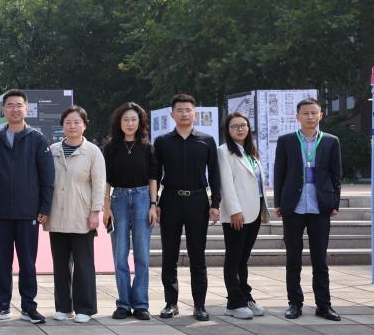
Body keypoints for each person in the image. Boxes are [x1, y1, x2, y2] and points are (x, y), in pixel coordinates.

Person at [0, 89, 53, 324]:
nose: (15, 109)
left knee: (27, 262)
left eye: (19, 105)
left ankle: (29, 307)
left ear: (26, 109)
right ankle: (2, 305)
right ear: (3, 110)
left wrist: (44, 207)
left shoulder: (37, 139)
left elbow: (47, 177)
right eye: (10, 105)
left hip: (28, 212)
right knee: (2, 261)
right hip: (1, 213)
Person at [273, 97, 342, 321]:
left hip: (320, 206)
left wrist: (335, 202)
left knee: (320, 259)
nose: (310, 117)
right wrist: (278, 202)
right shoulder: (286, 141)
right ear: (297, 116)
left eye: (314, 113)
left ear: (321, 115)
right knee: (293, 258)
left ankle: (324, 305)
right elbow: (279, 173)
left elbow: (336, 174)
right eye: (305, 113)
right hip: (293, 206)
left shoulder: (331, 141)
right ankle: (295, 303)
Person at [154, 93, 221, 321]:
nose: (184, 114)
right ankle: (170, 303)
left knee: (197, 256)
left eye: (188, 110)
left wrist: (215, 203)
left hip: (198, 201)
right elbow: (155, 174)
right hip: (170, 200)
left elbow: (215, 173)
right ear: (172, 114)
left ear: (195, 113)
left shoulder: (206, 140)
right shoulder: (162, 142)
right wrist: (155, 203)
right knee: (169, 255)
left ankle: (199, 305)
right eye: (179, 110)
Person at [45, 106, 106, 323]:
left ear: (85, 125)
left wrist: (95, 212)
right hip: (57, 214)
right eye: (68, 122)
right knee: (60, 265)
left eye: (77, 122)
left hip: (82, 215)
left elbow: (98, 184)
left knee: (83, 264)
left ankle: (85, 308)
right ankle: (63, 307)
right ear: (62, 125)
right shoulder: (52, 150)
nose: (72, 126)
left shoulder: (93, 152)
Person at [101, 102, 158, 320]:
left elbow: (153, 178)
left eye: (134, 119)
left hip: (143, 199)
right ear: (119, 122)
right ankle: (123, 304)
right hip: (119, 200)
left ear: (140, 122)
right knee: (120, 255)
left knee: (142, 256)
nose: (130, 123)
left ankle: (141, 304)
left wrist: (153, 205)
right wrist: (106, 207)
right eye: (126, 119)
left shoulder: (147, 147)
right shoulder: (111, 148)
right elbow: (106, 180)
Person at [218, 112, 269, 320]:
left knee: (243, 258)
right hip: (237, 214)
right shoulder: (224, 151)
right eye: (234, 126)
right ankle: (234, 303)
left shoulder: (250, 151)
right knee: (234, 258)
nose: (240, 129)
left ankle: (246, 297)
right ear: (227, 130)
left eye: (243, 125)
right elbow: (226, 184)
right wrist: (234, 211)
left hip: (254, 212)